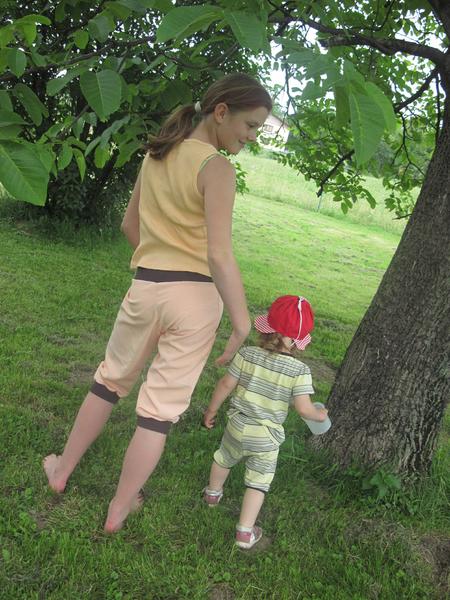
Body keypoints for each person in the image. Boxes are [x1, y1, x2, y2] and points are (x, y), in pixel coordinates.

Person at [43, 73, 272, 533]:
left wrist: (158, 261)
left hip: (146, 286)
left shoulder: (157, 153)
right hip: (196, 299)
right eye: (250, 125)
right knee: (158, 411)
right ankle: (119, 508)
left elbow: (130, 227)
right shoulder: (217, 168)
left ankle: (62, 470)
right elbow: (219, 253)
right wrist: (242, 323)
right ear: (221, 112)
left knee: (108, 382)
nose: (252, 137)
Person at [203, 295, 328, 549]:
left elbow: (225, 384)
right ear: (297, 341)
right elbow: (304, 409)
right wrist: (320, 415)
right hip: (266, 438)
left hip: (237, 425)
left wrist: (211, 410)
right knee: (258, 483)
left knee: (223, 458)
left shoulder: (247, 354)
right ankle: (244, 533)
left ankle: (212, 496)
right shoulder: (299, 371)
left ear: (267, 328)